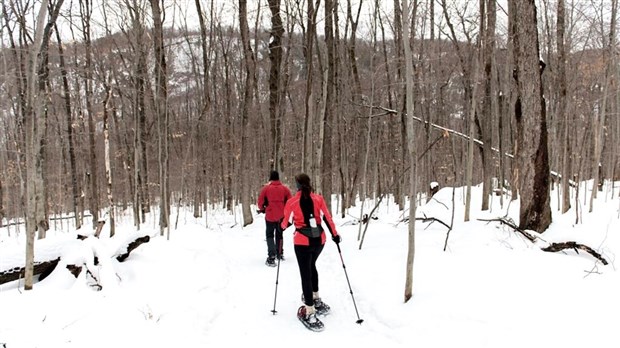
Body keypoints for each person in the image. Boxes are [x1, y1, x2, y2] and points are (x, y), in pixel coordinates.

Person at [281, 173, 341, 331]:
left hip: (302, 242)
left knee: (305, 273)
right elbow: (327, 218)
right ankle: (316, 298)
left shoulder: (292, 202)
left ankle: (309, 310)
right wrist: (335, 235)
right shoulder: (318, 198)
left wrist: (280, 228)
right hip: (319, 240)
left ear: (298, 186)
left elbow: (284, 223)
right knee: (312, 266)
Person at [257, 170, 292, 267]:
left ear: (271, 178)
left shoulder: (266, 189)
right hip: (281, 216)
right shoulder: (285, 189)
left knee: (269, 235)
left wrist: (263, 208)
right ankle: (279, 253)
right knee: (279, 234)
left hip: (270, 216)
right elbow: (290, 201)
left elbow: (260, 202)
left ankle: (271, 256)